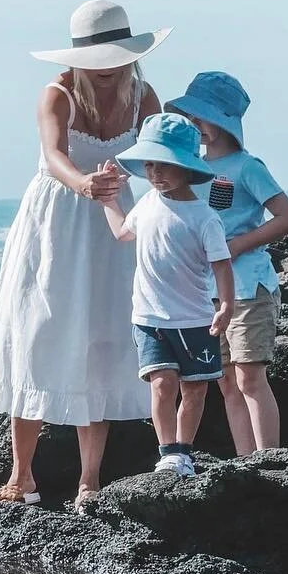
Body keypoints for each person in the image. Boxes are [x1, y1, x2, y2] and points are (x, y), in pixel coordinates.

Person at [0, 0, 167, 511]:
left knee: (104, 338)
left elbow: (160, 157)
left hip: (112, 222)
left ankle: (90, 482)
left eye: (117, 59)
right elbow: (55, 155)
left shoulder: (144, 95)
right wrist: (85, 183)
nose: (108, 70)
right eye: (100, 61)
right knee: (38, 332)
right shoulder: (57, 92)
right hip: (58, 220)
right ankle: (22, 476)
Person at [166, 71, 288, 453]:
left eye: (203, 118)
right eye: (191, 118)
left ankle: (270, 459)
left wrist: (239, 244)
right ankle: (246, 461)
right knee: (225, 380)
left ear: (225, 122)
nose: (197, 126)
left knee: (250, 376)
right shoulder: (192, 168)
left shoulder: (246, 167)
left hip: (248, 287)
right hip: (207, 291)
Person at [96, 112, 234, 478]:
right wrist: (109, 200)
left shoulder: (204, 218)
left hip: (195, 319)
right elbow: (123, 233)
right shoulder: (147, 204)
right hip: (149, 318)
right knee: (162, 383)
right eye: (149, 165)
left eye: (165, 165)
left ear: (187, 168)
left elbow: (222, 264)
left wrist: (227, 306)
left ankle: (185, 451)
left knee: (195, 390)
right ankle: (168, 452)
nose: (155, 174)